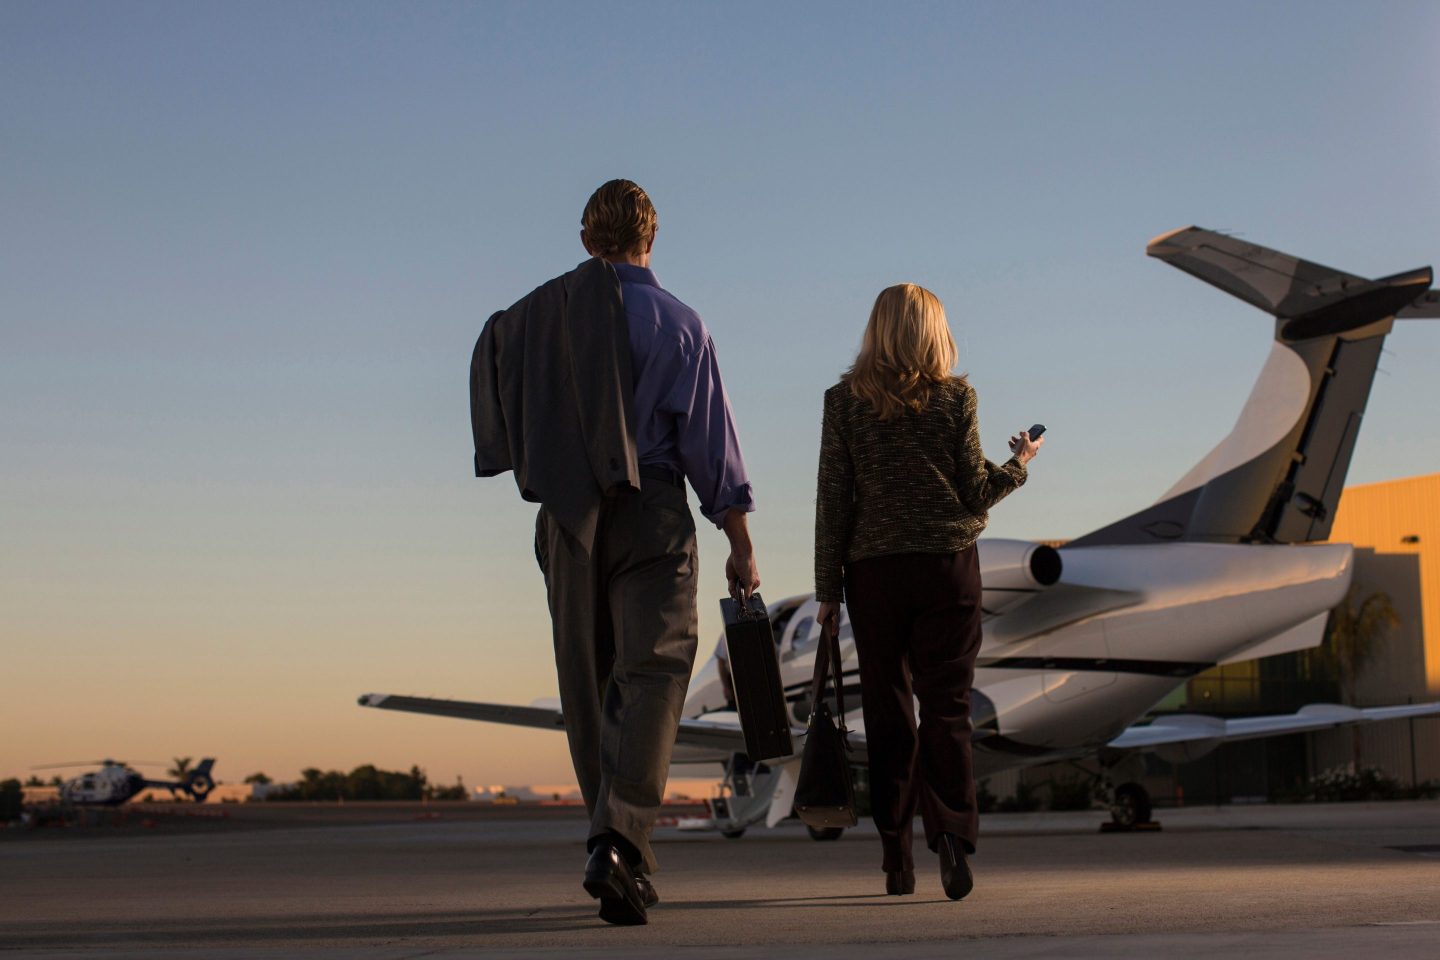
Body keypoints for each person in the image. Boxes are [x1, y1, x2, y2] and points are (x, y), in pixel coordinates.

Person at [470, 179, 759, 926]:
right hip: (652, 513)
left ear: (585, 239)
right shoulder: (679, 323)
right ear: (651, 239)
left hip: (567, 518)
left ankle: (615, 844)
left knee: (588, 683)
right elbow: (711, 446)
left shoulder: (531, 320)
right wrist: (739, 541)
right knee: (655, 672)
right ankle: (620, 842)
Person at [812, 283, 1041, 900]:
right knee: (948, 709)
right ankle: (952, 840)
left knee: (889, 715)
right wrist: (1019, 464)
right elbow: (973, 491)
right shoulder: (956, 398)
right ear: (933, 331)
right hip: (947, 568)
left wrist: (826, 589)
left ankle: (897, 859)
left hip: (874, 575)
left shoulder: (843, 403)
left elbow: (833, 499)